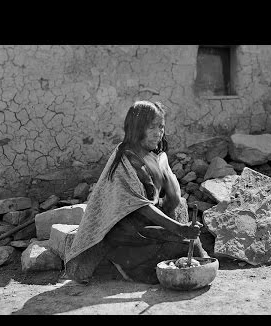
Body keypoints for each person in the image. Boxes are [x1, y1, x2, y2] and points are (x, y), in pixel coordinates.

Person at [64, 100, 209, 284]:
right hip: (127, 236)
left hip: (147, 229)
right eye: (152, 127)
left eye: (161, 127)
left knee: (191, 245)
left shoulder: (154, 156)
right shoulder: (125, 160)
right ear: (137, 128)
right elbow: (141, 206)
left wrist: (165, 172)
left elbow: (170, 198)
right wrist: (179, 229)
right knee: (186, 245)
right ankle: (129, 268)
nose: (158, 133)